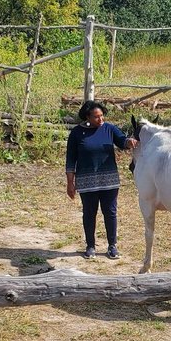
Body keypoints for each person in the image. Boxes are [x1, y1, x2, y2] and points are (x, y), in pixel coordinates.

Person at [65, 100, 136, 259]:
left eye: (102, 116)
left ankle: (112, 245)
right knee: (89, 213)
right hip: (87, 182)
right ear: (87, 117)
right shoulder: (76, 133)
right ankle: (90, 246)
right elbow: (70, 160)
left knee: (110, 212)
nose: (101, 119)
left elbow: (122, 141)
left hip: (109, 181)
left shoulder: (109, 129)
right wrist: (70, 183)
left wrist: (129, 142)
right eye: (96, 117)